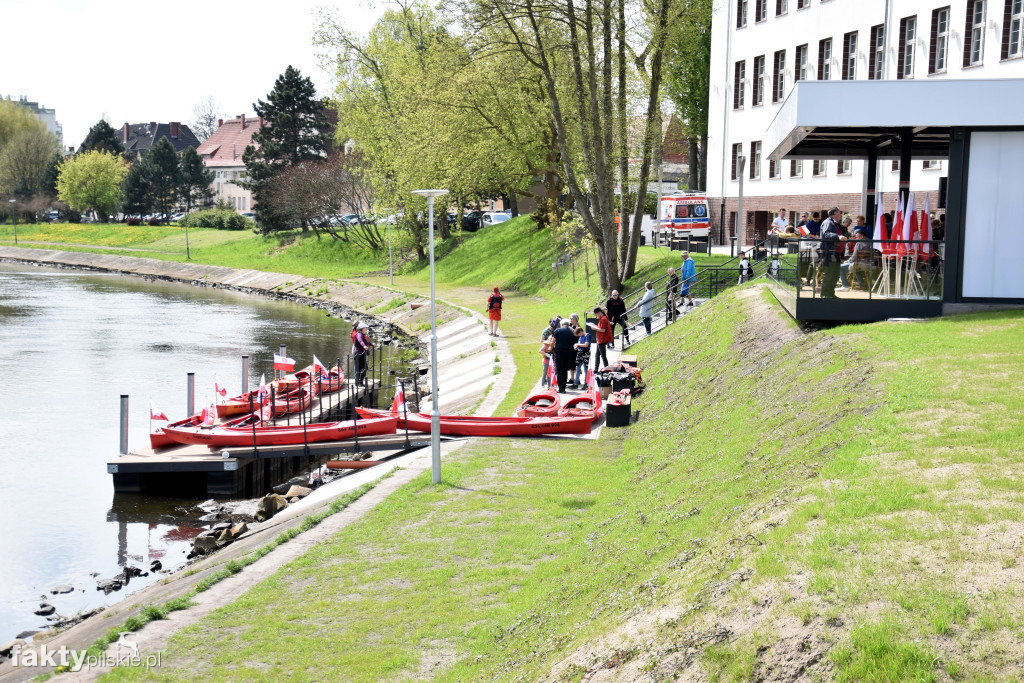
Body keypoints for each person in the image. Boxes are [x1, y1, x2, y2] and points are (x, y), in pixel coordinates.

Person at [819, 206, 848, 298]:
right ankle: (824, 294)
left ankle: (831, 293)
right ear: (835, 214)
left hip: (836, 252)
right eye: (840, 213)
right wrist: (838, 236)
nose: (841, 215)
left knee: (835, 274)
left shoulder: (836, 224)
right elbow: (827, 234)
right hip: (829, 252)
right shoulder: (828, 222)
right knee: (829, 273)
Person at [551, 319, 577, 393]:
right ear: (568, 325)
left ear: (562, 324)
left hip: (559, 351)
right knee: (565, 370)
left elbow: (553, 341)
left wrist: (551, 348)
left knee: (559, 370)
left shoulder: (558, 330)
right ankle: (564, 387)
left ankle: (561, 388)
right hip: (568, 352)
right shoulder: (571, 332)